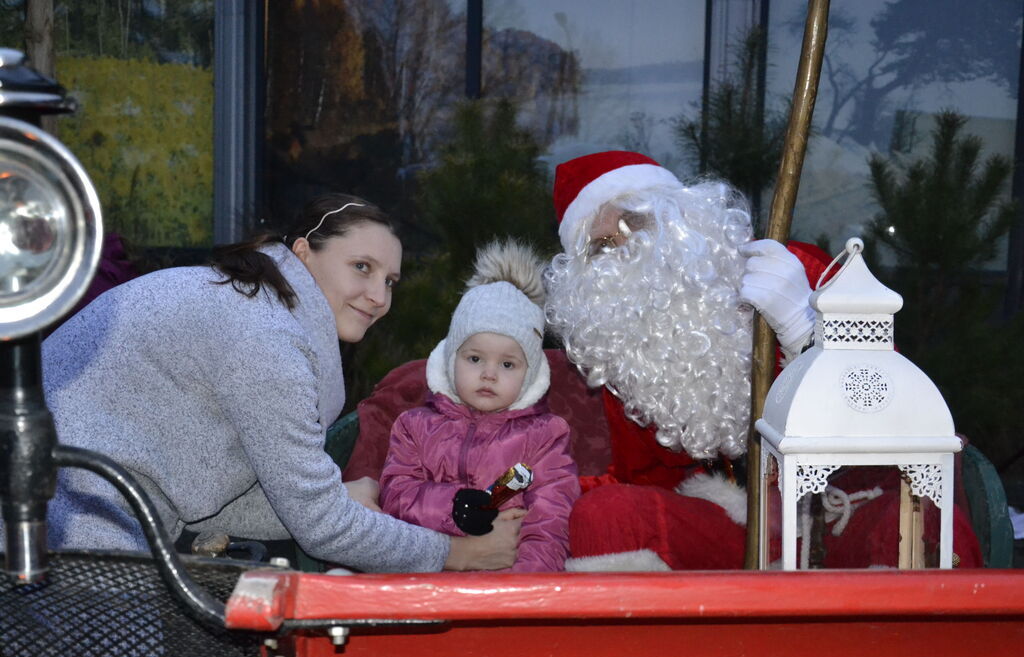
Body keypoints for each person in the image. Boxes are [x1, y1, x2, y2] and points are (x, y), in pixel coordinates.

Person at [21, 193, 522, 573]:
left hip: (68, 499)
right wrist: (457, 553)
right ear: (303, 253)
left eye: (389, 281)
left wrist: (341, 497)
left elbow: (217, 500)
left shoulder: (251, 306)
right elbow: (321, 528)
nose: (377, 296)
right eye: (362, 268)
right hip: (63, 510)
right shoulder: (267, 341)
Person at [544, 150, 981, 570]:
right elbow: (642, 479)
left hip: (838, 510)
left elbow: (895, 404)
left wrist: (805, 331)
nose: (625, 249)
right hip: (729, 524)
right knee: (607, 516)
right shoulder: (626, 350)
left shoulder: (801, 271)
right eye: (602, 246)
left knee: (929, 526)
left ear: (679, 217)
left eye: (632, 221)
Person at [379, 241, 580, 572]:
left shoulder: (545, 436)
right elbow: (396, 495)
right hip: (429, 577)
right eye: (474, 358)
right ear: (450, 358)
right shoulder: (414, 427)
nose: (488, 374)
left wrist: (526, 591)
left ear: (529, 375)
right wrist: (452, 508)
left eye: (507, 365)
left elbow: (551, 520)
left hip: (507, 580)